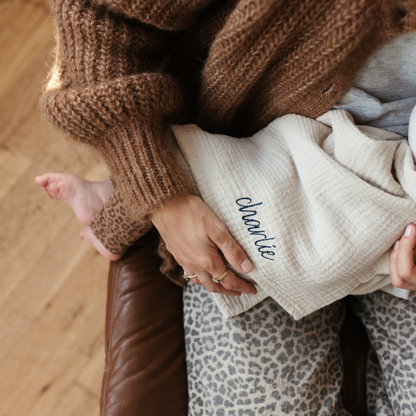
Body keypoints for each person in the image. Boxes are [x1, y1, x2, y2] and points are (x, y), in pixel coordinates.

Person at [40, 0, 416, 414]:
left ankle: (111, 206)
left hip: (394, 203)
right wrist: (160, 195)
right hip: (247, 143)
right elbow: (96, 16)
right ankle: (113, 210)